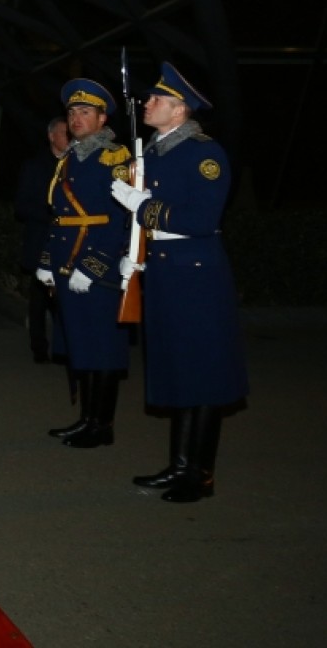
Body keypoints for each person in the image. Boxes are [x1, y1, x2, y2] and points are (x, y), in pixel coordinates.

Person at [110, 62, 248, 503]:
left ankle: (200, 474)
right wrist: (133, 255)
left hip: (196, 276)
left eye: (157, 99)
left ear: (180, 109)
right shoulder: (156, 152)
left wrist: (142, 205)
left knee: (203, 374)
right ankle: (179, 464)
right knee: (178, 371)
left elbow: (200, 218)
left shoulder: (203, 154)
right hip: (165, 274)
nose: (147, 103)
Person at [37, 79, 133, 449]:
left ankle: (101, 424)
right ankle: (87, 419)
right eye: (72, 112)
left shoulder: (114, 157)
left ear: (102, 118)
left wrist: (93, 266)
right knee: (81, 344)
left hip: (98, 269)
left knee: (102, 347)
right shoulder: (71, 157)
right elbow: (60, 216)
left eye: (85, 112)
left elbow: (120, 219)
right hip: (67, 264)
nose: (76, 118)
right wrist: (48, 260)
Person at [14, 118, 71, 363]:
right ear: (51, 136)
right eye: (64, 133)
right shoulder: (35, 166)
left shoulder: (77, 164)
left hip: (69, 243)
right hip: (41, 241)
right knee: (39, 298)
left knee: (65, 298)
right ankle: (39, 347)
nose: (68, 137)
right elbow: (21, 206)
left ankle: (63, 349)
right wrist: (52, 217)